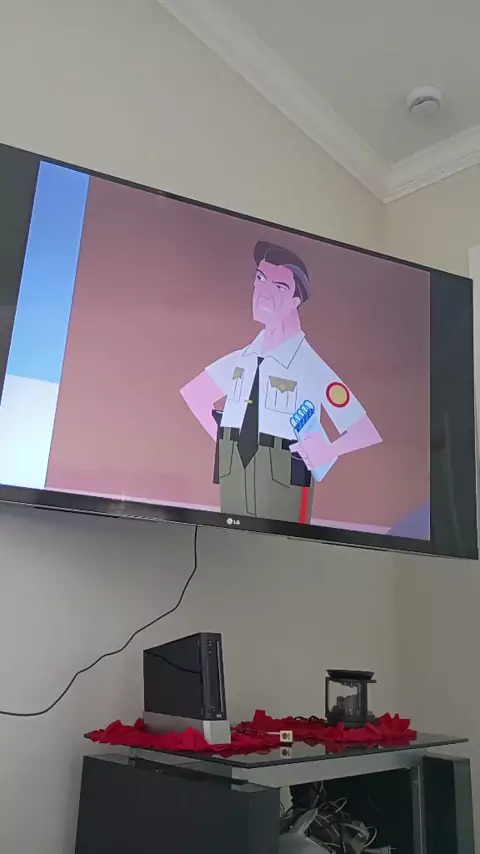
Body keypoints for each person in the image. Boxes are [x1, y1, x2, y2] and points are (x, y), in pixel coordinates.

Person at [181, 241, 381, 524]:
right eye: (260, 279)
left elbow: (363, 430)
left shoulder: (310, 367)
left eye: (279, 287)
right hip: (234, 468)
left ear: (296, 300)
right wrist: (226, 441)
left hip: (283, 472)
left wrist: (327, 450)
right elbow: (195, 394)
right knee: (228, 539)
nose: (264, 292)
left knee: (283, 544)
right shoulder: (243, 358)